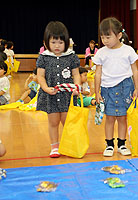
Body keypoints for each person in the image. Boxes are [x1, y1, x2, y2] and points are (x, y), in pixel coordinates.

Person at [93, 17, 138, 157]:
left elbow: (135, 70)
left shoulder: (128, 50)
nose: (105, 40)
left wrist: (137, 88)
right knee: (110, 118)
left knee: (123, 118)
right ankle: (109, 145)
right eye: (102, 37)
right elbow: (98, 73)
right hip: (107, 89)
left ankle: (122, 144)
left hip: (126, 87)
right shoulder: (101, 52)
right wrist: (97, 92)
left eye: (108, 37)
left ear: (119, 35)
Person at [36, 21, 81, 158]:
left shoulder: (71, 56)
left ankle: (70, 145)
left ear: (67, 42)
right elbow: (40, 76)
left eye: (60, 42)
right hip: (51, 95)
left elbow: (76, 74)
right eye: (53, 42)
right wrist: (45, 88)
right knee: (53, 122)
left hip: (68, 96)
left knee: (68, 122)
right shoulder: (43, 57)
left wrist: (77, 87)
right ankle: (54, 146)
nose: (57, 46)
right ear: (46, 43)